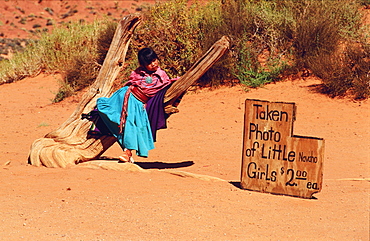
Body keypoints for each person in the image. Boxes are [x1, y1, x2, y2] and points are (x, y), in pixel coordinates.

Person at [96, 48, 177, 163]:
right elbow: (131, 82)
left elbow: (163, 88)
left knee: (130, 124)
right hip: (123, 96)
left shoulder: (161, 75)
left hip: (137, 102)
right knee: (106, 111)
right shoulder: (138, 73)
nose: (153, 64)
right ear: (143, 65)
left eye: (154, 60)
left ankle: (127, 152)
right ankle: (126, 150)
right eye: (149, 63)